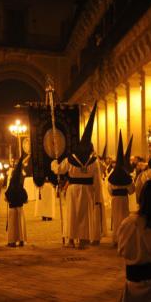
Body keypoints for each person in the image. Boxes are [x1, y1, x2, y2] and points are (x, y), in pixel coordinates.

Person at [51, 105, 102, 249]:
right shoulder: (94, 161)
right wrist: (98, 197)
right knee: (85, 215)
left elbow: (59, 170)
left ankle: (71, 239)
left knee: (72, 214)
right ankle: (84, 239)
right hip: (88, 190)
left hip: (73, 190)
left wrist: (54, 162)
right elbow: (97, 180)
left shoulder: (70, 159)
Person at [108, 132, 135, 245]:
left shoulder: (112, 176)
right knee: (124, 218)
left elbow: (109, 190)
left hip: (115, 199)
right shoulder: (126, 176)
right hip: (124, 199)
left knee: (116, 219)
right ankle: (123, 238)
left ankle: (115, 239)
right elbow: (131, 190)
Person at [5, 155, 28, 247]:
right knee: (20, 224)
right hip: (19, 207)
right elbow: (25, 198)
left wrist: (9, 198)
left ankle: (12, 241)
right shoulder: (20, 185)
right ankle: (21, 240)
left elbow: (7, 196)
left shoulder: (12, 185)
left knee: (13, 225)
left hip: (12, 207)